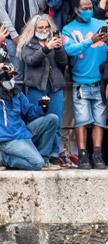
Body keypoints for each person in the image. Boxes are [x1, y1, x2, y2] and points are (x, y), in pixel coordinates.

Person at [63, 0, 108, 169]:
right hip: (80, 82)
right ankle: (83, 155)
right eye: (84, 8)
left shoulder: (102, 25)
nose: (88, 11)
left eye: (90, 8)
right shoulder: (68, 29)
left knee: (99, 120)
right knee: (82, 120)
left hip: (101, 82)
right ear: (76, 9)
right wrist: (90, 40)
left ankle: (97, 154)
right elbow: (70, 49)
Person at [17, 14, 68, 166]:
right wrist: (47, 48)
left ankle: (53, 153)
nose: (44, 30)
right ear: (34, 29)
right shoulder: (27, 44)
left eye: (46, 27)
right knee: (38, 121)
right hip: (37, 88)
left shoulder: (54, 41)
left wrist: (58, 49)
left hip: (55, 86)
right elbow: (31, 60)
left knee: (56, 120)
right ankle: (38, 153)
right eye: (40, 27)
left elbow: (64, 62)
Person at [0, 62, 60, 170]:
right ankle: (4, 158)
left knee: (52, 119)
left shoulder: (17, 93)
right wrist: (2, 67)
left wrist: (42, 106)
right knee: (36, 164)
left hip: (23, 134)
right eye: (9, 76)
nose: (13, 78)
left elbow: (30, 112)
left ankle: (44, 159)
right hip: (7, 140)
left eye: (13, 75)